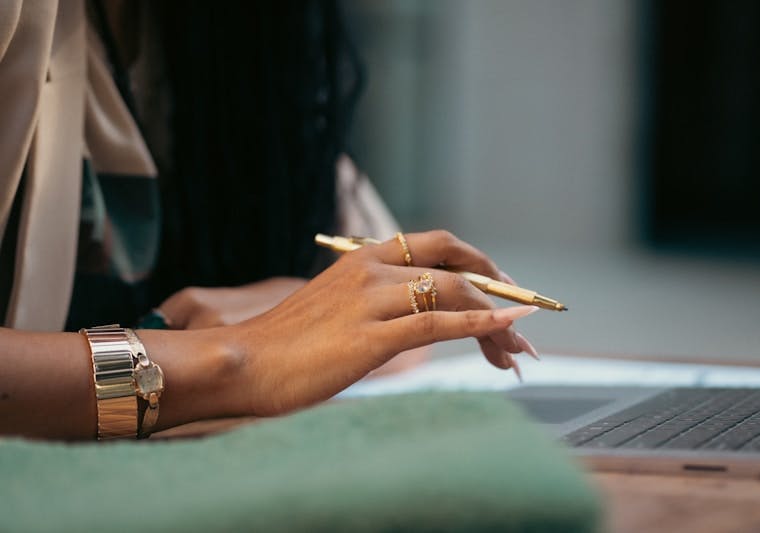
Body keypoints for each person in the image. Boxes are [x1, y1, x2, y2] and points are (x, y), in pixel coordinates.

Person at [0, 0, 539, 440]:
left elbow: (395, 306)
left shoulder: (247, 35)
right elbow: (258, 356)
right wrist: (226, 362)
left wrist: (299, 308)